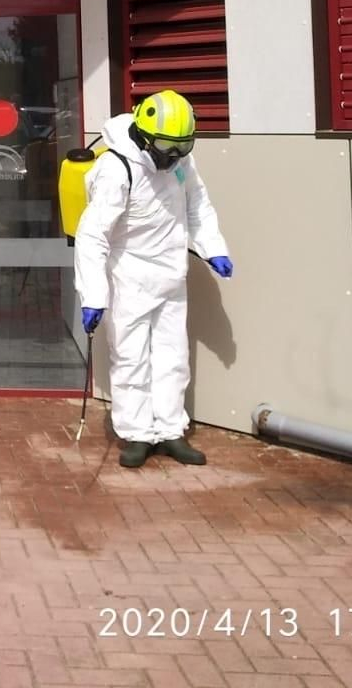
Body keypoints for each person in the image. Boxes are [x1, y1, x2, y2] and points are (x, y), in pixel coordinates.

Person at [73, 90, 233, 468]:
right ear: (144, 137)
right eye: (166, 147)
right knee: (131, 359)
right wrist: (94, 295)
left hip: (171, 277)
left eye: (182, 147)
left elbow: (197, 205)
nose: (174, 156)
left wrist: (213, 248)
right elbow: (92, 235)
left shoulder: (181, 161)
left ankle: (170, 430)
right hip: (129, 280)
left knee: (172, 356)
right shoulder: (117, 169)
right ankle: (137, 434)